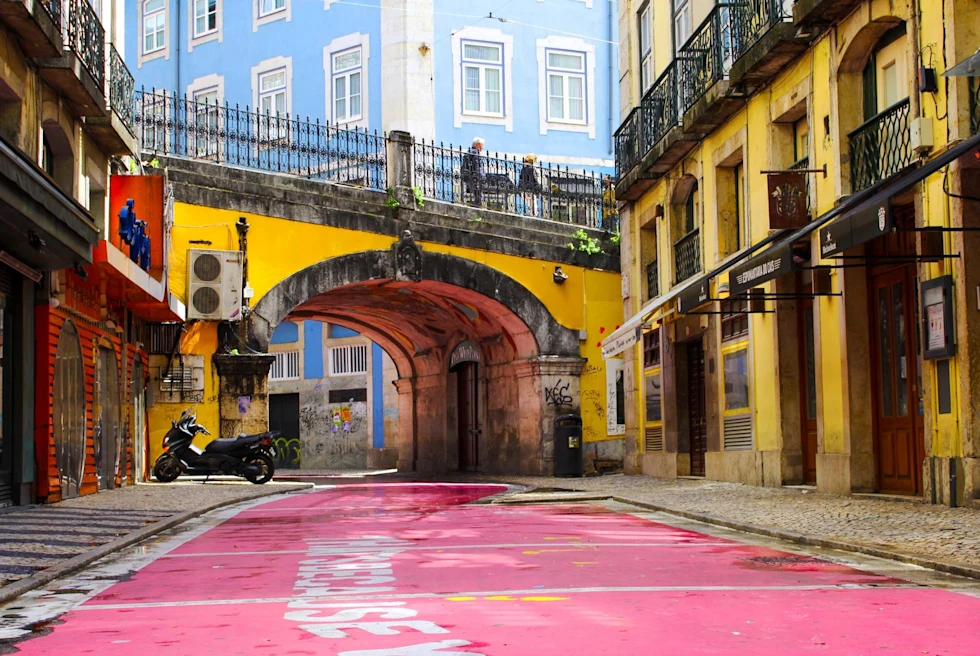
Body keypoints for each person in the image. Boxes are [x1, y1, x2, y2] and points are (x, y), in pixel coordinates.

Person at [461, 137, 486, 206]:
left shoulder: (468, 153)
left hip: (470, 176)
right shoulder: (475, 154)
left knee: (475, 192)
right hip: (475, 177)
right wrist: (480, 176)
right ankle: (477, 204)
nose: (483, 147)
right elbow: (477, 166)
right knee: (478, 193)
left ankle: (476, 203)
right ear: (478, 145)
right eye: (482, 145)